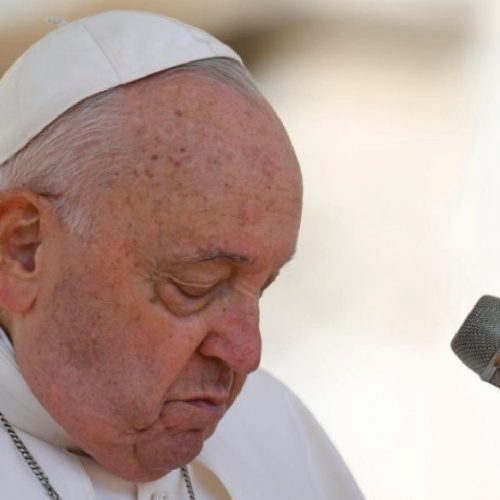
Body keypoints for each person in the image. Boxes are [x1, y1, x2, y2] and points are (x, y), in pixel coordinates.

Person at [0, 10, 364, 499]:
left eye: (263, 288)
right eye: (197, 287)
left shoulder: (276, 430)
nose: (247, 354)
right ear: (22, 249)